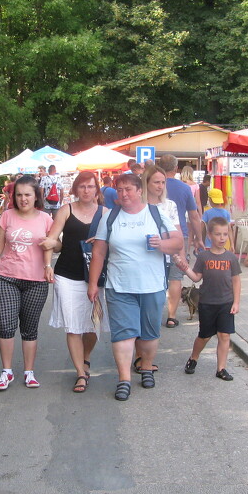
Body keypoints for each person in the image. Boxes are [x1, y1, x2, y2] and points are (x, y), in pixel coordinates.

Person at [86, 172, 183, 401]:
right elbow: (99, 251)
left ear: (140, 190)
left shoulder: (156, 213)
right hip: (119, 286)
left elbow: (178, 242)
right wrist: (92, 284)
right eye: (119, 190)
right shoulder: (110, 217)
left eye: (129, 189)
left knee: (149, 333)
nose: (124, 194)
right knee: (123, 334)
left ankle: (147, 367)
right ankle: (124, 379)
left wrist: (163, 243)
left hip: (152, 285)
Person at [0, 175, 54, 391]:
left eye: (27, 195)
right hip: (7, 277)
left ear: (36, 196)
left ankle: (29, 372)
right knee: (5, 324)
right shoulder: (7, 217)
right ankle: (6, 372)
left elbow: (55, 245)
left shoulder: (46, 219)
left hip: (36, 280)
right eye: (19, 195)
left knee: (29, 328)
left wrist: (55, 244)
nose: (23, 199)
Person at [41, 171, 109, 393]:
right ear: (75, 189)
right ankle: (81, 372)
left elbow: (116, 244)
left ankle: (86, 357)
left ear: (97, 189)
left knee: (92, 326)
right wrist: (47, 265)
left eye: (90, 187)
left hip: (96, 277)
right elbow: (51, 240)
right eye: (82, 187)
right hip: (67, 275)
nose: (86, 191)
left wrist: (100, 241)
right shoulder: (65, 210)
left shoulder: (106, 213)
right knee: (73, 326)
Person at [176, 217, 241, 382]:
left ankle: (221, 368)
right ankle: (194, 357)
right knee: (204, 336)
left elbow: (236, 280)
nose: (222, 238)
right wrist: (184, 267)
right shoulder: (204, 257)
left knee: (224, 335)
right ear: (210, 235)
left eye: (225, 234)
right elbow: (196, 278)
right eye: (218, 234)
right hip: (207, 303)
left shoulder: (231, 258)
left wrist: (236, 302)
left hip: (225, 303)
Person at [158, 155, 203, 329]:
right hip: (179, 236)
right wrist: (199, 239)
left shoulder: (153, 185)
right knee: (175, 277)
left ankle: (153, 313)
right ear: (176, 168)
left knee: (157, 275)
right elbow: (194, 216)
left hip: (158, 237)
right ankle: (171, 316)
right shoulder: (185, 188)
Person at [143, 164, 185, 331]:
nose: (160, 186)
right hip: (148, 255)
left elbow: (178, 232)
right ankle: (150, 317)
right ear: (146, 183)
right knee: (155, 291)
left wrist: (181, 256)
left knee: (175, 279)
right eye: (156, 182)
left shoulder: (170, 205)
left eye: (163, 182)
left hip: (170, 251)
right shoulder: (139, 205)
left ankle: (171, 315)